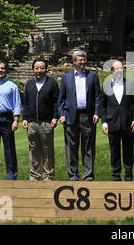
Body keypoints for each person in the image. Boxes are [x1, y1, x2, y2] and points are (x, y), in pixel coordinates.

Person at [58, 50, 101, 181]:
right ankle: (73, 176)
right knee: (71, 148)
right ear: (74, 61)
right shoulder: (66, 77)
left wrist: (97, 113)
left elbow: (98, 96)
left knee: (88, 147)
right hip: (71, 117)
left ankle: (88, 177)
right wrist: (62, 114)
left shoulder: (92, 76)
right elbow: (61, 99)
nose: (82, 62)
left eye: (84, 59)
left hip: (87, 116)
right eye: (80, 60)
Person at [100, 60, 134, 181]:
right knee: (114, 151)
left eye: (121, 68)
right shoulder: (106, 85)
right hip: (112, 123)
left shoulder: (130, 84)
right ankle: (116, 176)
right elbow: (103, 106)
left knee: (128, 151)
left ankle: (129, 176)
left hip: (128, 123)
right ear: (112, 71)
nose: (120, 71)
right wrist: (104, 122)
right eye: (117, 69)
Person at [22, 58, 60, 181]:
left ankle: (48, 177)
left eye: (42, 68)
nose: (39, 70)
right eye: (36, 68)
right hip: (32, 123)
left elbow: (56, 103)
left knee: (48, 151)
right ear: (33, 69)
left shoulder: (52, 83)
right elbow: (26, 103)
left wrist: (55, 117)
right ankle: (34, 177)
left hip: (46, 123)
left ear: (46, 69)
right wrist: (25, 118)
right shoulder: (29, 84)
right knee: (33, 151)